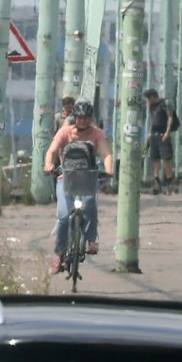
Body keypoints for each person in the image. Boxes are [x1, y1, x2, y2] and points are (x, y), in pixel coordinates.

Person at [44, 99, 112, 273]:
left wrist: (109, 170)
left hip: (88, 178)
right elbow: (51, 151)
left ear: (90, 118)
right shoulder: (64, 132)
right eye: (80, 117)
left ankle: (90, 240)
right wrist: (49, 165)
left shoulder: (97, 133)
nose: (83, 121)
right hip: (65, 178)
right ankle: (59, 255)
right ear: (75, 117)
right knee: (64, 218)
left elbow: (106, 153)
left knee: (90, 204)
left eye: (86, 118)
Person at [145, 88, 180, 193]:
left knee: (166, 159)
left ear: (152, 97)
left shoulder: (165, 103)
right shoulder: (151, 106)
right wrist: (150, 132)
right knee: (155, 159)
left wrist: (167, 132)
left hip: (163, 134)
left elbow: (170, 117)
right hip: (154, 135)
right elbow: (153, 119)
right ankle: (157, 182)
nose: (147, 101)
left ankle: (170, 182)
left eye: (148, 98)